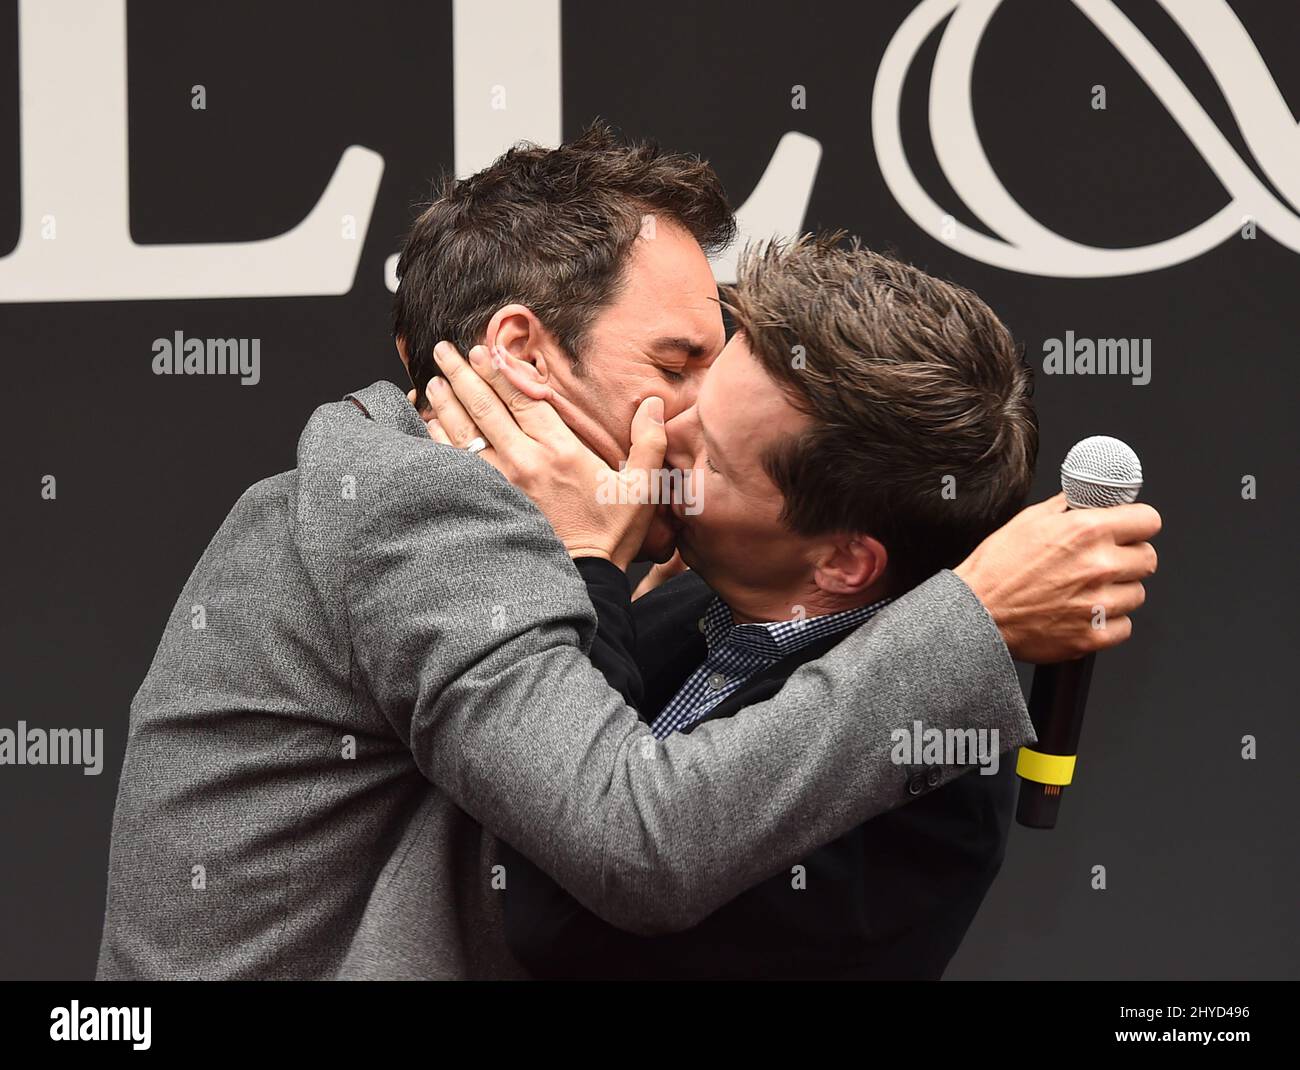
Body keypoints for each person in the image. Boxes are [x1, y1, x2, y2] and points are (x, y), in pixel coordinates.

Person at [96, 126, 1159, 980]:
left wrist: (599, 564)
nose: (676, 427)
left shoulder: (903, 765)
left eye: (711, 381)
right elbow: (619, 836)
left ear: (843, 558)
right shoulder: (436, 503)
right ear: (522, 350)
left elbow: (587, 884)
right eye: (677, 360)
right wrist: (970, 613)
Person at [402, 234, 1148, 979]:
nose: (661, 433)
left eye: (710, 458)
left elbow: (559, 916)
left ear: (844, 562)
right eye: (693, 386)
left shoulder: (922, 802)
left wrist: (582, 561)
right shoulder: (698, 598)